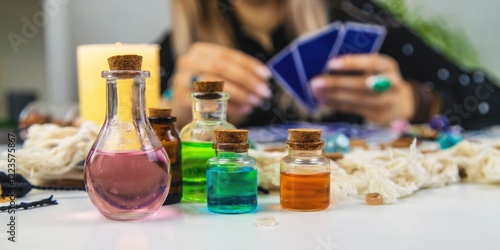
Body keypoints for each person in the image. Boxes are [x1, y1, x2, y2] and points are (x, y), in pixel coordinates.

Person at [159, 0, 500, 130]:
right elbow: (117, 148)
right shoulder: (177, 52)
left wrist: (415, 102)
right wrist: (171, 119)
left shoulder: (359, 18)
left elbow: (489, 98)